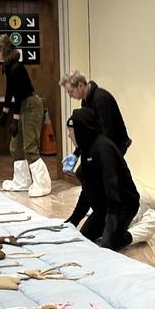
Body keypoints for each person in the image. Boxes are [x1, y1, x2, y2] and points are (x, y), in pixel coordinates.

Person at [64, 107, 142, 251]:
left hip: (122, 205)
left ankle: (140, 229)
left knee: (109, 245)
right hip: (103, 207)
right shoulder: (86, 149)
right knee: (84, 239)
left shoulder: (103, 148)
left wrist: (112, 220)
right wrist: (73, 220)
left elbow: (111, 185)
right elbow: (87, 191)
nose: (69, 135)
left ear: (81, 130)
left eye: (70, 131)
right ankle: (117, 227)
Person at [0, 34, 49, 197]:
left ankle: (43, 184)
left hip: (30, 106)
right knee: (15, 146)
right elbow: (9, 91)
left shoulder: (16, 68)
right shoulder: (9, 67)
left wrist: (15, 120)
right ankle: (22, 181)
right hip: (22, 106)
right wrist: (4, 112)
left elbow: (20, 95)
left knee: (30, 147)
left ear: (2, 49)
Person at [61, 70, 130, 154]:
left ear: (80, 85)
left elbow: (107, 130)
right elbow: (87, 129)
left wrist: (101, 154)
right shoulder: (85, 101)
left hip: (115, 144)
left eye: (71, 92)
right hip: (103, 143)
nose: (70, 96)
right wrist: (77, 152)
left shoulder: (100, 98)